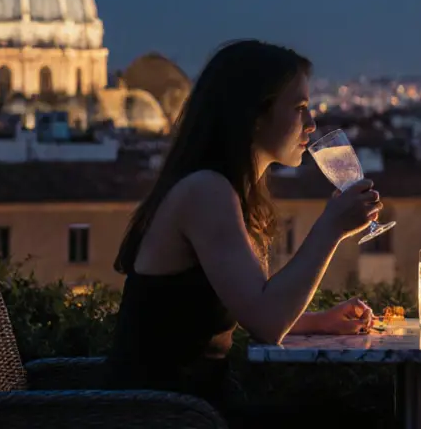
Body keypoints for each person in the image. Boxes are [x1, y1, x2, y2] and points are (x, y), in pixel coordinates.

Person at [107, 39, 383, 416]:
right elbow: (266, 322)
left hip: (188, 407)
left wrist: (319, 322)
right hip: (167, 414)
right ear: (255, 116)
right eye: (300, 108)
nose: (311, 123)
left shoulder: (225, 191)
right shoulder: (207, 192)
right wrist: (331, 227)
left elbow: (252, 303)